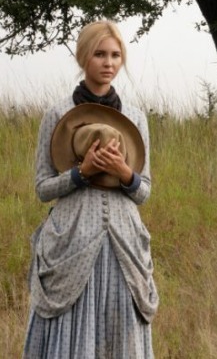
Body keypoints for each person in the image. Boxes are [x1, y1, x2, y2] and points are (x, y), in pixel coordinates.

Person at [24, 20, 158, 358]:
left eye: (115, 55)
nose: (109, 63)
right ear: (84, 56)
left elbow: (144, 192)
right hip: (71, 241)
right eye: (100, 54)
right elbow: (42, 188)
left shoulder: (136, 117)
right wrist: (80, 174)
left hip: (123, 245)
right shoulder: (57, 113)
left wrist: (124, 172)